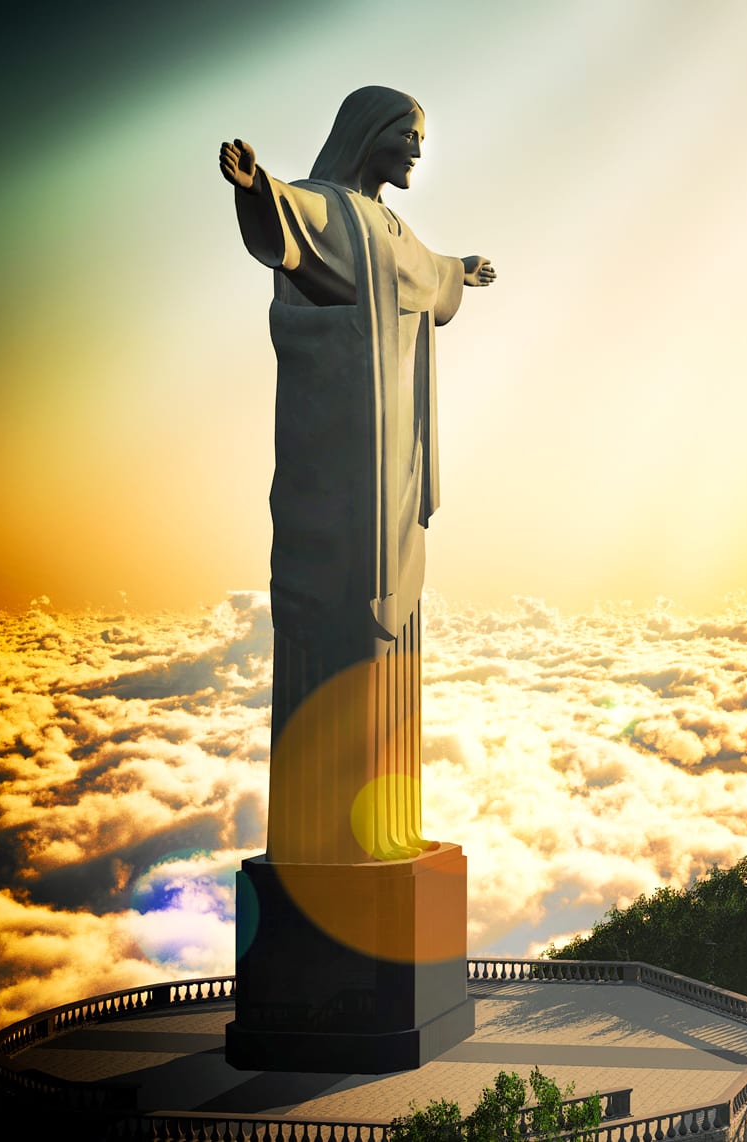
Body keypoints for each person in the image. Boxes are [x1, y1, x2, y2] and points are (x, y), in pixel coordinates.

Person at [219, 86, 494, 865]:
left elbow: (426, 274)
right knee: (341, 621)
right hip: (344, 474)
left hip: (394, 474)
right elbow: (286, 228)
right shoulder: (330, 209)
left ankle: (386, 829)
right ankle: (327, 841)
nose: (415, 148)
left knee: (397, 628)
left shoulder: (393, 228)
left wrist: (460, 271)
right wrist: (255, 189)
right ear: (367, 134)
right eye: (405, 134)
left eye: (421, 136)